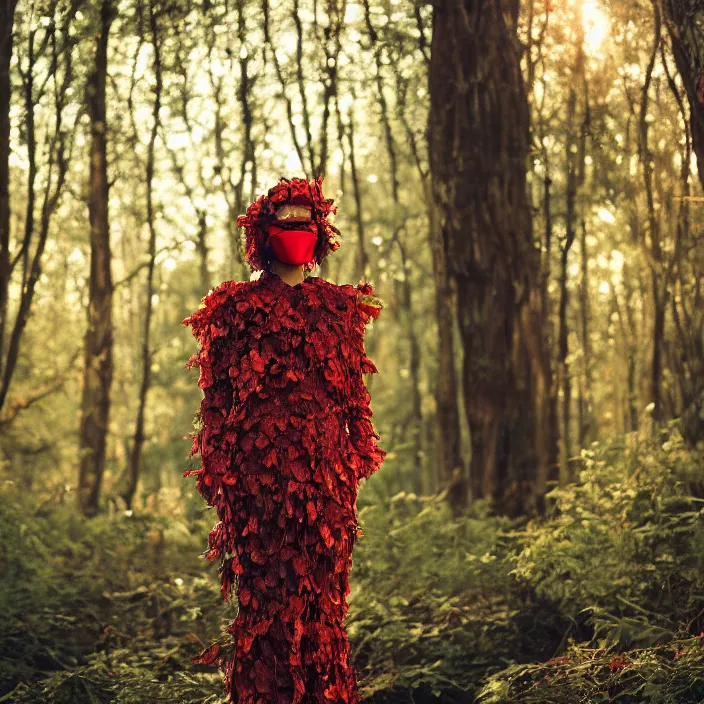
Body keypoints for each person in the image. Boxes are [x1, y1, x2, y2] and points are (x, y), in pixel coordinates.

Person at [182, 176, 386, 704]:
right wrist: (222, 476)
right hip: (256, 490)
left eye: (305, 223)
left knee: (322, 611)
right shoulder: (232, 310)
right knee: (263, 608)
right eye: (285, 223)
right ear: (262, 233)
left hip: (326, 488)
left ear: (320, 232)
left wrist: (358, 454)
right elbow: (217, 403)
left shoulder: (339, 310)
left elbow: (352, 396)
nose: (296, 231)